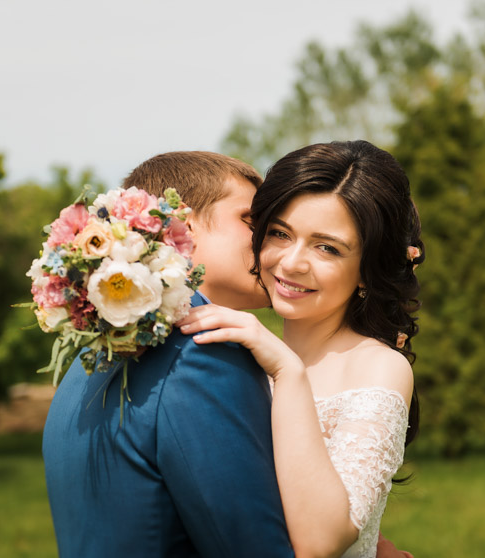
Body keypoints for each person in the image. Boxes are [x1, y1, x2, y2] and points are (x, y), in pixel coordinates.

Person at [42, 152, 296, 557]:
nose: (274, 242)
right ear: (184, 225)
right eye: (252, 221)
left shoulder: (90, 360)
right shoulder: (204, 354)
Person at [177, 140, 422, 558]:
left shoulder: (380, 368)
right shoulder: (240, 356)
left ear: (367, 269)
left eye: (327, 247)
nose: (291, 263)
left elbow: (321, 543)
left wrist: (288, 373)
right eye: (279, 233)